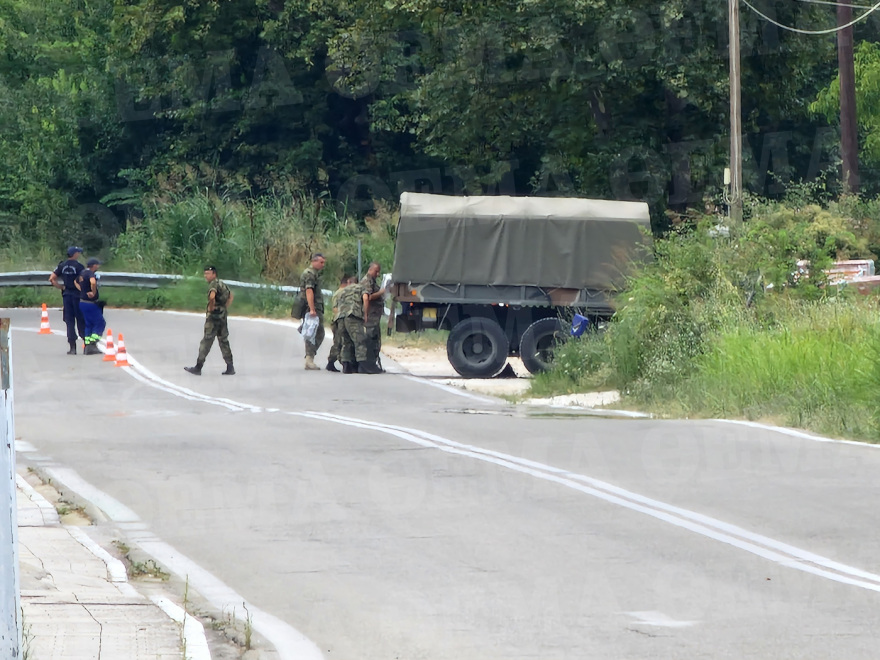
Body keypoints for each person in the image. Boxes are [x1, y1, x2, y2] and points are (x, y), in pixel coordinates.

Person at [184, 266, 235, 376]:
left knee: (206, 341)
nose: (206, 276)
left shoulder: (213, 285)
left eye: (208, 273)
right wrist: (224, 307)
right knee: (224, 341)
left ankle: (198, 367)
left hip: (213, 318)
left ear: (214, 274)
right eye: (205, 273)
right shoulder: (222, 283)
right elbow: (231, 296)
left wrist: (211, 308)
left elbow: (212, 297)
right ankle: (230, 366)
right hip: (222, 316)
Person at [337, 278, 381, 374]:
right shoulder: (361, 288)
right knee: (360, 341)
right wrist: (365, 314)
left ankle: (346, 365)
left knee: (346, 342)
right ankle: (363, 366)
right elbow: (365, 298)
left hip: (340, 317)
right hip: (353, 315)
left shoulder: (344, 290)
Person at [48, 246, 85, 354]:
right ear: (75, 254)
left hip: (67, 295)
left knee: (69, 321)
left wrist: (61, 287)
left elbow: (52, 278)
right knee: (81, 320)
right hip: (77, 296)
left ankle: (72, 348)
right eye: (78, 253)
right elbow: (83, 280)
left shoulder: (62, 265)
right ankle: (86, 345)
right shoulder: (79, 266)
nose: (79, 254)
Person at [298, 253, 326, 370]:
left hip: (314, 307)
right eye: (321, 262)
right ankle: (309, 359)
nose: (323, 265)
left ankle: (310, 358)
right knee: (316, 333)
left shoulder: (313, 273)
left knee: (314, 332)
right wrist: (312, 309)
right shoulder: (310, 274)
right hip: (312, 307)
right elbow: (309, 291)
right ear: (314, 261)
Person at [74, 258, 106, 355]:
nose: (98, 266)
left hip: (82, 302)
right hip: (90, 303)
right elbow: (93, 282)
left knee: (89, 324)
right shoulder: (90, 274)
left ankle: (87, 345)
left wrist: (82, 291)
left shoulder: (82, 273)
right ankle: (92, 343)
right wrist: (93, 292)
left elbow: (75, 282)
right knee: (100, 323)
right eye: (97, 264)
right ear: (93, 265)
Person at [359, 262, 386, 372]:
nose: (378, 274)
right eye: (376, 271)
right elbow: (367, 297)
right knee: (370, 340)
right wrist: (381, 292)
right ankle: (368, 365)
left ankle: (372, 363)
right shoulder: (367, 281)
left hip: (374, 317)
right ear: (370, 270)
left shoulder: (372, 280)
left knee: (375, 340)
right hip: (370, 316)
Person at [326, 275, 356, 372]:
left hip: (341, 319)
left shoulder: (344, 292)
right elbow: (335, 308)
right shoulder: (339, 293)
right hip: (338, 321)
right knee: (339, 342)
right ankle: (332, 362)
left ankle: (341, 362)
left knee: (342, 342)